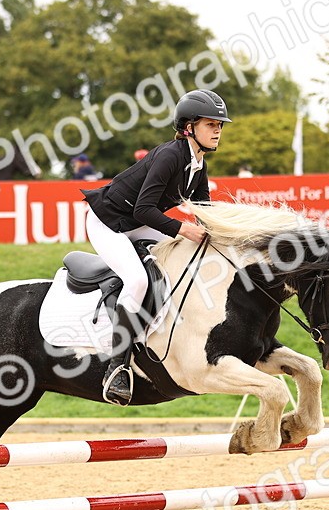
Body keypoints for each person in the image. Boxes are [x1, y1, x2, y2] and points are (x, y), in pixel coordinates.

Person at [80, 88, 230, 405]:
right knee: (136, 280)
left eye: (220, 125)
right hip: (108, 222)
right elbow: (142, 210)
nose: (217, 130)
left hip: (135, 221)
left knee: (188, 259)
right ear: (189, 127)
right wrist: (181, 228)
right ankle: (116, 366)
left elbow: (205, 209)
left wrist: (226, 235)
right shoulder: (169, 156)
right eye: (210, 124)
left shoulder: (198, 163)